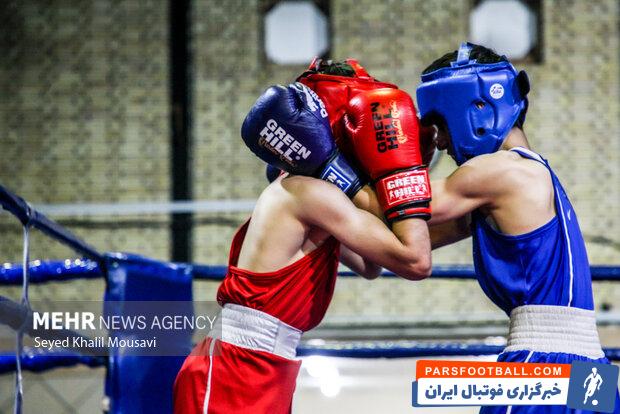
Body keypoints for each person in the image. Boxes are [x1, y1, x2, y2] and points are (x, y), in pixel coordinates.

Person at [173, 77, 433, 412]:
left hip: (269, 363)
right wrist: (401, 173)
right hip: (235, 365)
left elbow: (371, 264)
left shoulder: (317, 195)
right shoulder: (305, 192)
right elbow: (414, 260)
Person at [414, 42, 620, 413]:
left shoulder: (500, 170)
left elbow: (402, 206)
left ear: (475, 109)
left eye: (440, 125)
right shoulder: (532, 175)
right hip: (593, 373)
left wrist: (330, 166)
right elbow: (405, 246)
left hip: (541, 362)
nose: (440, 141)